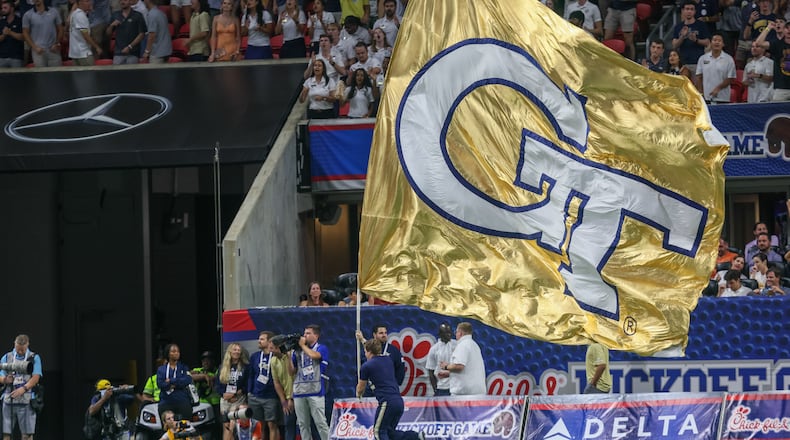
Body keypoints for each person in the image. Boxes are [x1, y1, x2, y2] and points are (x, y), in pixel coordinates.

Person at [357, 340, 423, 440]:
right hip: (399, 401)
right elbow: (373, 347)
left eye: (365, 352)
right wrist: (363, 340)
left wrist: (358, 395)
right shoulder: (388, 360)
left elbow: (360, 388)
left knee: (379, 432)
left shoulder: (366, 366)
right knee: (389, 432)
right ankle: (415, 437)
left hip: (386, 402)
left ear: (368, 351)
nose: (365, 354)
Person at [288, 324, 330, 440]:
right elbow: (292, 371)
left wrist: (302, 345)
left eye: (308, 333)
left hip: (315, 391)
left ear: (316, 335)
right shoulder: (298, 351)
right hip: (299, 391)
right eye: (304, 333)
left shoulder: (321, 348)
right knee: (302, 424)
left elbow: (314, 355)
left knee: (320, 423)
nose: (304, 335)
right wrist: (288, 356)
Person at [0, 335, 42, 440]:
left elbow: (36, 377)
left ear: (27, 345)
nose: (20, 352)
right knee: (6, 434)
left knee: (27, 435)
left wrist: (24, 388)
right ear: (15, 344)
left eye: (22, 350)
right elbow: (1, 374)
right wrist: (5, 379)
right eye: (18, 349)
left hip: (27, 400)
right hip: (9, 399)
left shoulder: (34, 357)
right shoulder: (7, 357)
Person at [247, 331, 280, 440]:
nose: (259, 341)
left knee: (272, 425)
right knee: (259, 426)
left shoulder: (276, 356)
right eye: (259, 339)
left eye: (262, 339)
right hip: (255, 396)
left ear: (270, 341)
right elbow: (251, 375)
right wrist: (250, 392)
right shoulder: (255, 356)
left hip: (271, 396)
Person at [438, 322, 485, 396]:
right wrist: (449, 374)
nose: (455, 334)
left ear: (460, 333)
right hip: (476, 392)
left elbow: (459, 366)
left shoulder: (463, 345)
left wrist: (446, 366)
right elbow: (470, 369)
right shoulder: (474, 345)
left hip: (464, 394)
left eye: (456, 332)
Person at [355, 323, 405, 392]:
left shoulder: (393, 350)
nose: (384, 335)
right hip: (370, 390)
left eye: (385, 333)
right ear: (374, 335)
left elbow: (400, 369)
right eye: (381, 333)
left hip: (388, 389)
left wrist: (395, 384)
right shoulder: (367, 351)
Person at [216, 342, 249, 440]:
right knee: (226, 426)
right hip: (225, 400)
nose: (237, 352)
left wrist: (235, 394)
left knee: (233, 425)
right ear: (230, 351)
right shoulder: (222, 367)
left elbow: (247, 384)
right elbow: (217, 385)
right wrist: (223, 394)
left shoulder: (245, 367)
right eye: (235, 350)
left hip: (238, 399)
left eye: (239, 350)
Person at [672, 0, 711, 78]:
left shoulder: (701, 25)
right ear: (683, 11)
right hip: (683, 64)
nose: (689, 11)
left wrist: (696, 40)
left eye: (691, 9)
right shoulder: (678, 27)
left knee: (697, 88)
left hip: (698, 62)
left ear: (695, 11)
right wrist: (682, 37)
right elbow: (674, 45)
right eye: (687, 9)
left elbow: (707, 42)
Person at [157, 343, 194, 423]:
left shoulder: (183, 367)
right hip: (166, 402)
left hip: (182, 401)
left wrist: (171, 381)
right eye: (173, 351)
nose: (176, 353)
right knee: (167, 427)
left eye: (178, 351)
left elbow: (187, 380)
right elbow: (160, 384)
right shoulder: (161, 369)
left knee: (185, 426)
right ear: (168, 354)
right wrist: (178, 383)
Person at [696, 32, 736, 104]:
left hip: (723, 98)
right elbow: (699, 76)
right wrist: (700, 93)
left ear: (723, 44)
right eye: (714, 40)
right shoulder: (703, 58)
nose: (716, 42)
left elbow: (730, 78)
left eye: (719, 41)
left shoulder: (729, 59)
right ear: (711, 43)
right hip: (706, 98)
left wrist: (718, 88)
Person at [755, 20, 790, 100]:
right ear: (784, 30)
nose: (789, 30)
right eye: (787, 28)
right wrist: (768, 28)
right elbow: (758, 43)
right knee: (779, 112)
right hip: (781, 88)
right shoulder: (777, 44)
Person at [22, 0, 64, 67]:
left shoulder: (54, 11)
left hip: (53, 50)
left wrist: (57, 43)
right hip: (38, 51)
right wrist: (34, 47)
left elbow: (61, 29)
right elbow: (25, 33)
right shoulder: (27, 15)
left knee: (57, 75)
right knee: (41, 76)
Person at [269, 336, 296, 440]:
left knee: (306, 425)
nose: (270, 351)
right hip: (287, 399)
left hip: (298, 395)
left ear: (279, 346)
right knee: (289, 425)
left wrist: (291, 398)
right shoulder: (273, 361)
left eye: (272, 348)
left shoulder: (293, 355)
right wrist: (284, 401)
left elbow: (296, 377)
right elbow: (277, 383)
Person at [425, 322, 456, 397]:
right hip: (441, 388)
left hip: (456, 386)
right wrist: (435, 389)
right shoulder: (434, 349)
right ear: (440, 334)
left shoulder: (457, 345)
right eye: (446, 333)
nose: (449, 334)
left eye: (450, 332)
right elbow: (431, 372)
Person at [69, 0, 103, 65]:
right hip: (83, 53)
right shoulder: (80, 15)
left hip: (75, 53)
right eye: (86, 1)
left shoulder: (74, 13)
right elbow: (85, 35)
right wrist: (96, 47)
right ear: (80, 3)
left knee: (78, 75)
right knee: (89, 74)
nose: (89, 3)